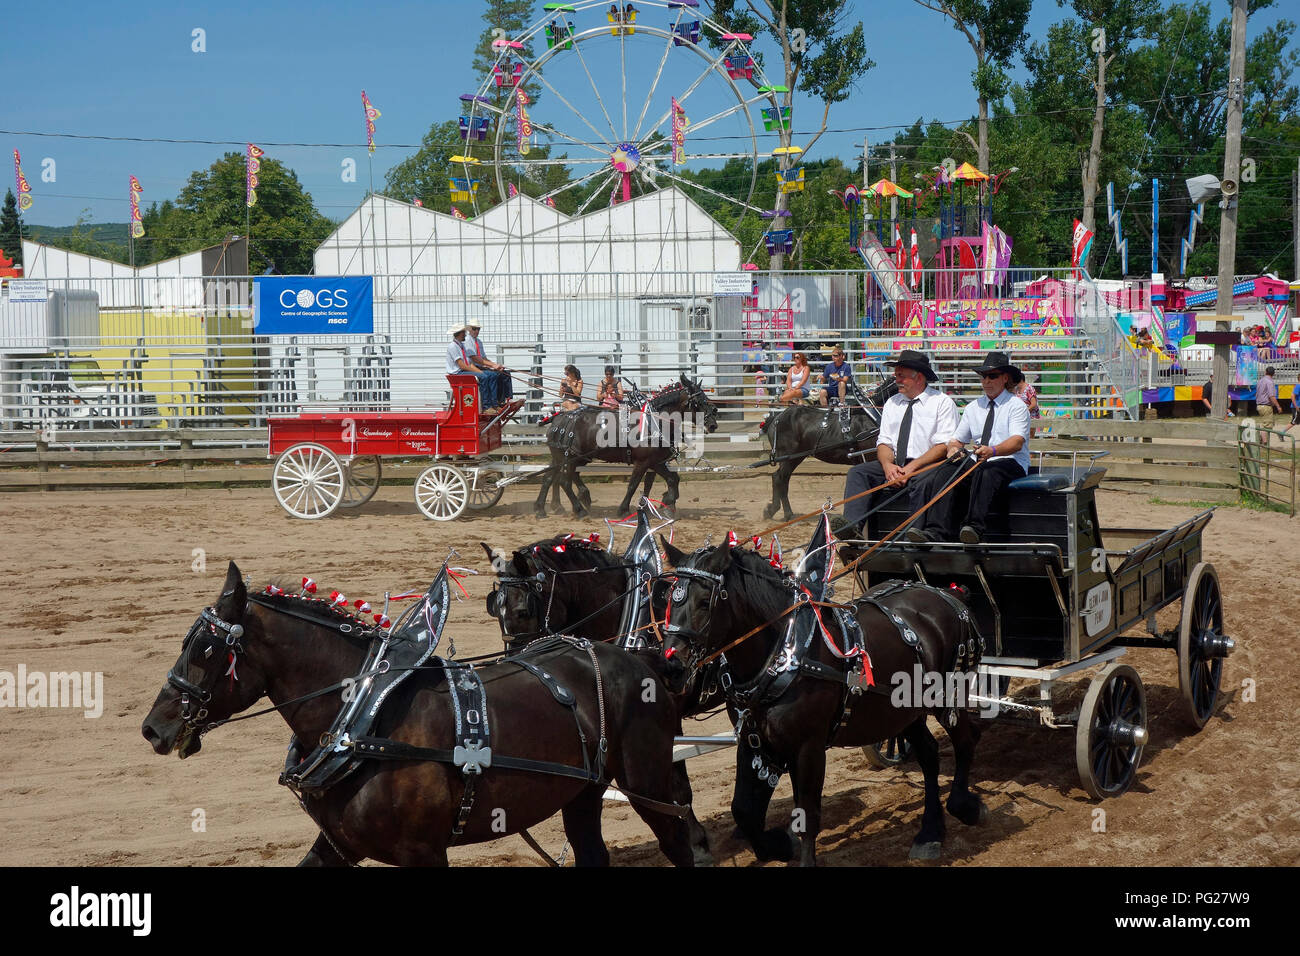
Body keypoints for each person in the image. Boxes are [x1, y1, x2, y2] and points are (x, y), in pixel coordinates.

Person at [840, 349, 957, 539]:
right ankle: (852, 529)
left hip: (927, 465)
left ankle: (912, 534)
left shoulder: (942, 403)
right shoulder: (892, 403)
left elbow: (943, 445)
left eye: (901, 376)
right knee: (858, 472)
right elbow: (884, 442)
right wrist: (887, 466)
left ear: (918, 377)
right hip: (896, 464)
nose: (896, 380)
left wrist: (911, 467)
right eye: (896, 376)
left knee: (924, 480)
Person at [928, 351, 1031, 544]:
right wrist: (953, 450)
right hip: (980, 462)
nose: (986, 381)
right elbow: (957, 440)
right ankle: (935, 531)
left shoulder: (1016, 406)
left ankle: (974, 528)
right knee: (946, 470)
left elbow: (1017, 442)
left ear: (1005, 378)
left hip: (1010, 463)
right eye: (983, 376)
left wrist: (992, 451)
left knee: (987, 470)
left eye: (992, 376)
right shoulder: (973, 407)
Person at [445, 323, 497, 413]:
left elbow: (469, 364)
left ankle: (494, 404)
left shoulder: (461, 345)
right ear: (459, 333)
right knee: (484, 377)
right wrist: (481, 374)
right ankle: (486, 407)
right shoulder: (453, 346)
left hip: (462, 371)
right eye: (463, 332)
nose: (465, 334)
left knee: (490, 375)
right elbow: (462, 365)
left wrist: (480, 372)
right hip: (457, 374)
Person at [464, 321, 514, 414]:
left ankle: (503, 400)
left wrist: (495, 365)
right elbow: (474, 358)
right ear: (469, 329)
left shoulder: (478, 341)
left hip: (479, 366)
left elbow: (483, 358)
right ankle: (490, 405)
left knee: (505, 374)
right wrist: (492, 365)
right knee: (491, 375)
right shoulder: (467, 341)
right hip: (473, 367)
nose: (476, 331)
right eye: (474, 329)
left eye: (478, 329)